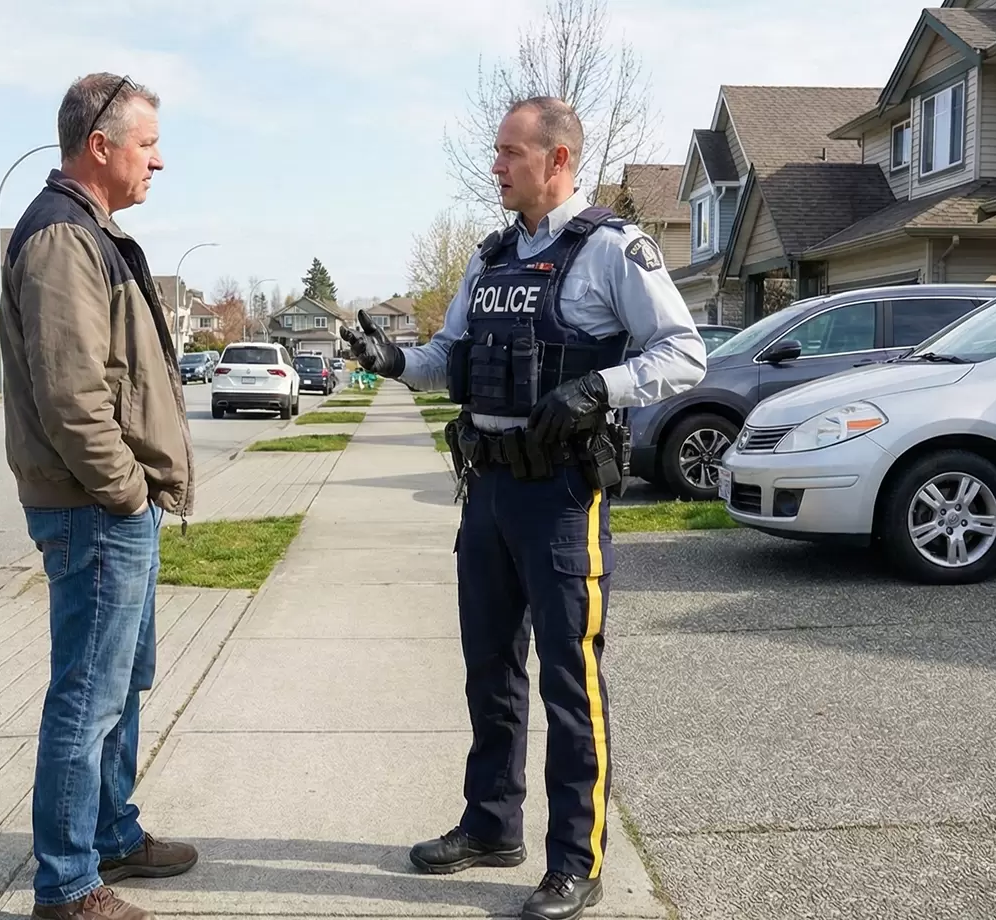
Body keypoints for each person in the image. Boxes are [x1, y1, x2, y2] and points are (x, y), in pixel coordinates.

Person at [341, 96, 707, 920]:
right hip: (489, 491)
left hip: (561, 496)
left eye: (510, 152)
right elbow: (449, 360)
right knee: (490, 670)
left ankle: (576, 860)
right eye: (496, 152)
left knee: (570, 683)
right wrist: (391, 358)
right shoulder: (492, 257)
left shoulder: (614, 250)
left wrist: (598, 386)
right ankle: (489, 826)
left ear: (558, 160)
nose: (496, 166)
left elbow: (684, 354)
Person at [0, 73, 199, 920]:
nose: (161, 159)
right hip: (94, 510)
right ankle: (68, 884)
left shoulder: (94, 235)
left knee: (119, 685)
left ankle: (113, 833)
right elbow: (72, 396)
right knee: (86, 696)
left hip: (116, 507)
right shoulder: (60, 240)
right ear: (101, 146)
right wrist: (125, 494)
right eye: (148, 143)